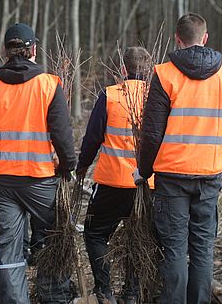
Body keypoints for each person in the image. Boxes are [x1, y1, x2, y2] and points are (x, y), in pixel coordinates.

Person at [136, 13, 222, 304]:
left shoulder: (165, 74)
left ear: (177, 39)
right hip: (209, 175)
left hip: (170, 177)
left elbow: (152, 133)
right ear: (205, 38)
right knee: (202, 249)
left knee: (174, 251)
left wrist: (144, 170)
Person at [0, 23, 77, 303]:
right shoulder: (49, 85)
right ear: (34, 50)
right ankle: (53, 296)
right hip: (39, 180)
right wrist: (67, 167)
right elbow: (63, 135)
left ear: (5, 52)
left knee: (6, 249)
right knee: (54, 236)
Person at [76, 47, 153, 304]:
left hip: (112, 182)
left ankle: (104, 291)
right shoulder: (158, 97)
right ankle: (131, 293)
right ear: (150, 71)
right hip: (148, 185)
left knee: (95, 234)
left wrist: (82, 166)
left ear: (123, 70)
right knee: (138, 236)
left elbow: (93, 138)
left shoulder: (109, 95)